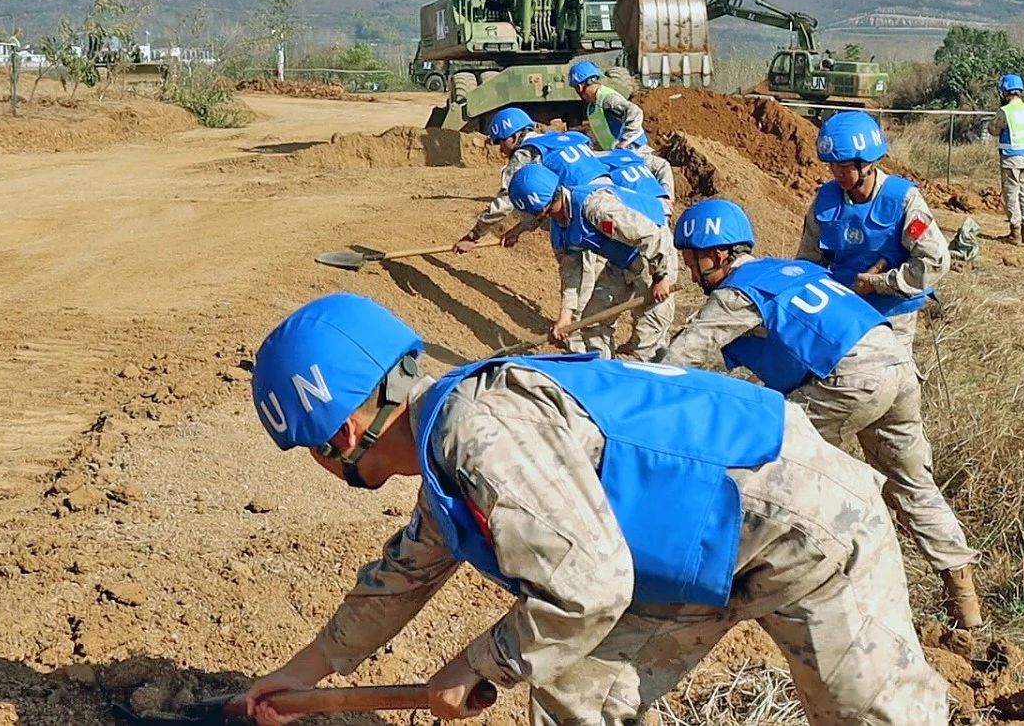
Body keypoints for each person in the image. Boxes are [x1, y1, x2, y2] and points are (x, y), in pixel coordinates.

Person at [242, 293, 949, 725]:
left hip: (805, 529)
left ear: (340, 435)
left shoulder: (479, 432)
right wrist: (302, 674)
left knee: (873, 718)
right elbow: (401, 577)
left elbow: (589, 586)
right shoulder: (446, 462)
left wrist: (477, 663)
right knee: (575, 698)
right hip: (687, 553)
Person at [662, 199, 984, 628]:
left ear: (716, 255)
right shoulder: (794, 271)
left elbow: (680, 362)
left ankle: (768, 586)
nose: (689, 270)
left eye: (690, 259)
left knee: (769, 470)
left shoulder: (736, 293)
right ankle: (964, 599)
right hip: (896, 363)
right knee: (914, 484)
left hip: (849, 378)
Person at [798, 111, 950, 355]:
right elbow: (807, 261)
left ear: (868, 163)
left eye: (845, 166)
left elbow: (934, 261)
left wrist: (880, 283)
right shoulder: (825, 201)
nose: (837, 173)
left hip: (892, 316)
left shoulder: (903, 200)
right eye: (832, 165)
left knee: (890, 383)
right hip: (842, 313)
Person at [510, 162, 676, 360]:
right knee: (592, 323)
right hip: (621, 262)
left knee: (648, 338)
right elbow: (570, 272)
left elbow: (651, 235)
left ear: (541, 208)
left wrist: (660, 276)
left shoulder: (595, 207)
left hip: (654, 255)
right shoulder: (559, 229)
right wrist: (566, 316)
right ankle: (606, 374)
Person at [454, 107, 664, 254]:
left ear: (514, 136)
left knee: (586, 268)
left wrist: (473, 235)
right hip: (617, 198)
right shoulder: (566, 138)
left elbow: (506, 201)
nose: (501, 150)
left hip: (586, 212)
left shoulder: (525, 154)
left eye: (501, 142)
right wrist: (519, 230)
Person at [568, 60, 675, 199]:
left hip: (627, 151)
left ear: (580, 87)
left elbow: (635, 112)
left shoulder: (607, 99)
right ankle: (667, 203)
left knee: (661, 166)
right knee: (662, 167)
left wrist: (624, 141)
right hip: (620, 155)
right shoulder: (594, 106)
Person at [985, 73, 1024, 244]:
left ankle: (1014, 232)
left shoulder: (1005, 112)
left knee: (1011, 193)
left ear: (1004, 92)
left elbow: (993, 129)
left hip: (1010, 159)